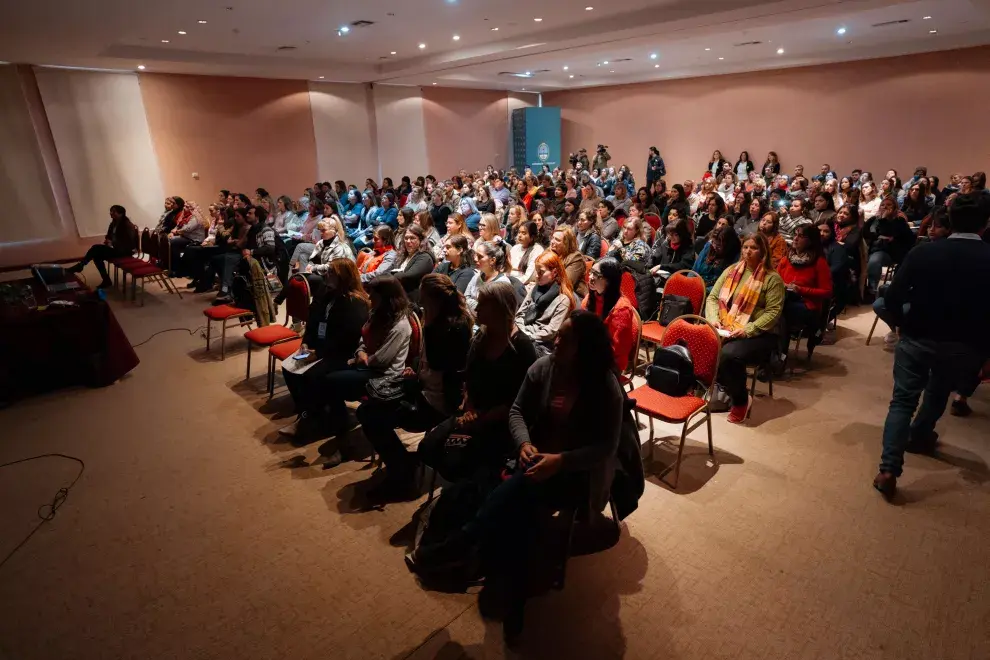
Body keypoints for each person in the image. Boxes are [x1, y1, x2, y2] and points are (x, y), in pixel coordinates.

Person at [409, 311, 623, 641]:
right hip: (533, 459)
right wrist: (523, 442)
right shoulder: (544, 367)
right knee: (518, 503)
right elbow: (517, 411)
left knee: (520, 498)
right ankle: (512, 594)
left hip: (575, 474)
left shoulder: (604, 386)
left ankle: (465, 543)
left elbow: (605, 448)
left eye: (565, 338)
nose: (556, 340)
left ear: (584, 348)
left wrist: (560, 460)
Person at [872, 194, 990, 499]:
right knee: (937, 393)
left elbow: (893, 296)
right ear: (986, 224)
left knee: (902, 402)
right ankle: (921, 435)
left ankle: (888, 469)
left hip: (918, 337)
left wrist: (899, 323)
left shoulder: (924, 252)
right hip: (963, 347)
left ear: (949, 222)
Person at [356, 274, 473, 500]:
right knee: (368, 408)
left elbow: (441, 364)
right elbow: (426, 362)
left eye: (422, 292)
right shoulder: (432, 318)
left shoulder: (454, 326)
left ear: (433, 298)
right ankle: (402, 464)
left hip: (441, 401)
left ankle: (401, 474)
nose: (418, 297)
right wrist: (415, 370)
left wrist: (428, 327)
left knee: (372, 417)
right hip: (423, 389)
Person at [417, 280, 539, 485]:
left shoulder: (522, 348)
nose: (477, 307)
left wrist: (481, 416)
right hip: (473, 412)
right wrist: (469, 407)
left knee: (458, 461)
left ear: (499, 309)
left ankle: (465, 499)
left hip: (502, 422)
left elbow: (520, 402)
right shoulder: (480, 339)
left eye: (482, 303)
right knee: (427, 448)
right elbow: (468, 380)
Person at [278, 259, 370, 443]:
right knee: (289, 367)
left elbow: (347, 339)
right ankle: (314, 412)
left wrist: (318, 353)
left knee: (312, 374)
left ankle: (307, 419)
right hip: (320, 347)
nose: (327, 275)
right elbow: (313, 323)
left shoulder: (355, 302)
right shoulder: (327, 294)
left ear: (344, 277)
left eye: (332, 273)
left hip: (343, 353)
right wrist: (305, 343)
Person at [705, 233, 785, 423]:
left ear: (763, 252)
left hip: (760, 334)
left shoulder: (772, 279)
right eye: (745, 247)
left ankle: (740, 400)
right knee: (698, 339)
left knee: (728, 355)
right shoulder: (732, 270)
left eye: (754, 248)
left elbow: (773, 313)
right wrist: (714, 319)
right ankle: (716, 389)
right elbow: (713, 298)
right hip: (727, 326)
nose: (748, 251)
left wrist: (748, 329)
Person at [777, 224, 833, 357]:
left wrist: (800, 290)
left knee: (780, 312)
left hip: (808, 305)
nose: (796, 239)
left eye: (801, 236)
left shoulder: (819, 262)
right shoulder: (786, 259)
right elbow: (775, 279)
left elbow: (827, 291)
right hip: (786, 299)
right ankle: (773, 355)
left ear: (811, 240)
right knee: (773, 310)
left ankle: (779, 356)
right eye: (795, 235)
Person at [515, 251, 575, 353]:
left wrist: (528, 337)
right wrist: (522, 332)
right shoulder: (536, 288)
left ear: (554, 272)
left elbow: (551, 331)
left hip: (541, 345)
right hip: (523, 333)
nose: (537, 276)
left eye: (541, 272)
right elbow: (520, 314)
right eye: (536, 271)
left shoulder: (563, 299)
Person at [584, 257, 637, 371]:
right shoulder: (591, 297)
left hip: (609, 365)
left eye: (596, 274)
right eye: (591, 272)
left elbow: (615, 350)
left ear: (609, 280)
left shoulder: (622, 309)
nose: (590, 277)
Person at [67, 205, 139, 288]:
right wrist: (108, 241)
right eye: (111, 211)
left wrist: (112, 242)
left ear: (121, 213)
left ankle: (81, 266)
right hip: (116, 249)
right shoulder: (113, 223)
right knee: (97, 256)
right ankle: (105, 280)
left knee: (95, 248)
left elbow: (129, 243)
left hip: (125, 252)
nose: (111, 213)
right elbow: (109, 236)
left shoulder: (127, 225)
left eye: (113, 211)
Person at [864, 196, 915, 297]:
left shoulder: (899, 220)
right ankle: (868, 290)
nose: (885, 207)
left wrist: (883, 220)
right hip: (876, 248)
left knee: (875, 260)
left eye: (889, 205)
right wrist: (877, 235)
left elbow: (889, 232)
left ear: (895, 207)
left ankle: (873, 290)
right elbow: (865, 233)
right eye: (882, 205)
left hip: (893, 252)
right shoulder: (874, 219)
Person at [390, 224, 437, 298]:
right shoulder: (403, 255)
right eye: (406, 238)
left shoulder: (425, 257)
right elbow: (391, 269)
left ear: (421, 240)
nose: (408, 241)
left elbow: (408, 276)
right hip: (399, 295)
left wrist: (390, 276)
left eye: (412, 238)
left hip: (413, 300)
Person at [464, 240, 513, 310]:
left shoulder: (502, 283)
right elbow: (465, 298)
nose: (475, 259)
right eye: (475, 255)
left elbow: (490, 311)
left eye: (480, 256)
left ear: (492, 260)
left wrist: (473, 305)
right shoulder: (477, 276)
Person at [693, 225, 742, 291]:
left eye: (719, 245)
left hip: (713, 291)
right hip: (697, 284)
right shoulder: (709, 246)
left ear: (728, 245)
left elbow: (726, 285)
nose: (714, 246)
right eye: (713, 242)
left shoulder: (736, 256)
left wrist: (701, 290)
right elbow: (694, 270)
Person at [549, 225, 588, 299]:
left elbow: (566, 284)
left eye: (557, 240)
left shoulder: (576, 258)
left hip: (572, 296)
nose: (552, 242)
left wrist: (546, 278)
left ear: (566, 244)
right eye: (552, 238)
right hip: (552, 290)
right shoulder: (551, 251)